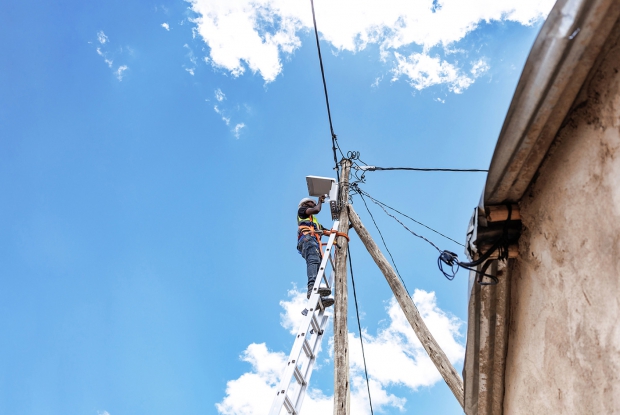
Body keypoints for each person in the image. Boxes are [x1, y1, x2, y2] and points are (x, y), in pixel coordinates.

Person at [297, 196, 335, 307]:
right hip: (307, 239)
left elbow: (325, 231)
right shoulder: (302, 211)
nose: (314, 204)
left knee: (318, 266)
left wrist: (339, 232)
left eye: (314, 202)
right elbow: (317, 210)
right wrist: (320, 201)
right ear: (305, 204)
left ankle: (318, 299)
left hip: (312, 241)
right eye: (311, 202)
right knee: (313, 261)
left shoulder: (313, 221)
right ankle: (311, 288)